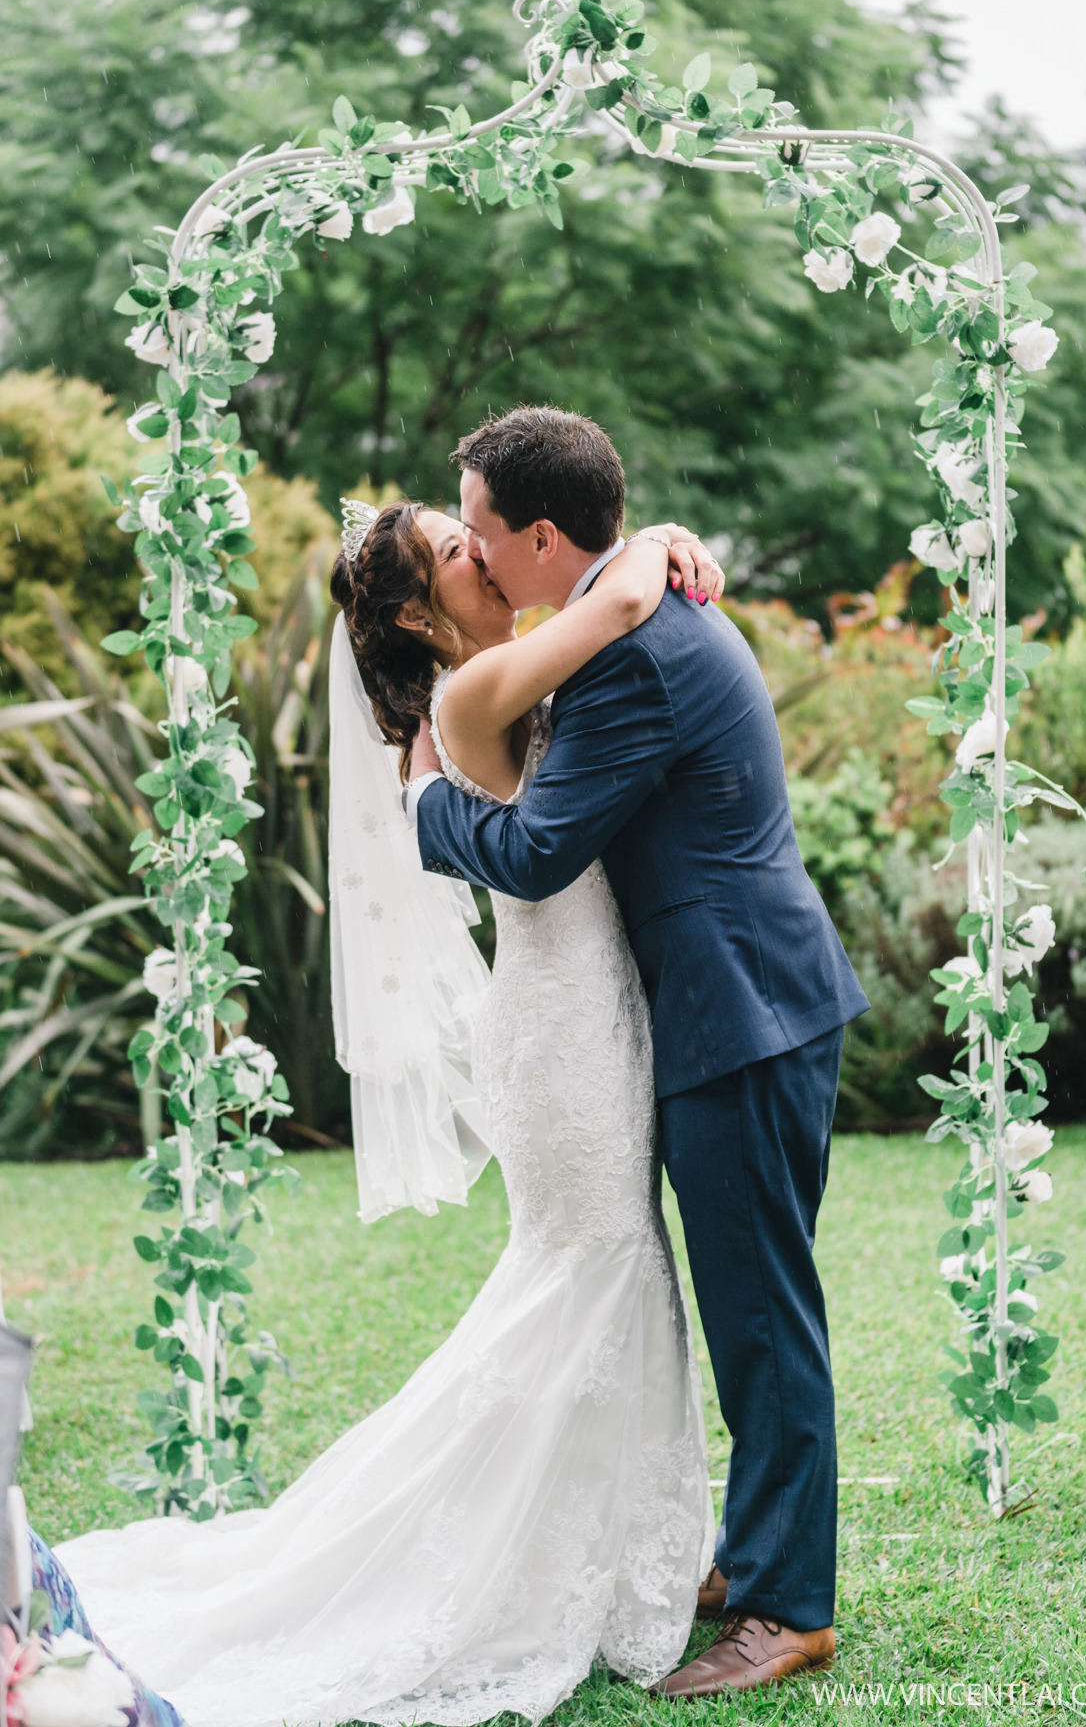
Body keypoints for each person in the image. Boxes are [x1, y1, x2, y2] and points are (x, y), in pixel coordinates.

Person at [55, 498, 727, 1727]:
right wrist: (649, 544)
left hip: (579, 1010)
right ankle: (581, 1559)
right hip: (566, 1029)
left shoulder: (475, 682)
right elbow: (617, 603)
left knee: (601, 1270)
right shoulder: (471, 702)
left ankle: (640, 1543)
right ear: (418, 609)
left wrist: (658, 535)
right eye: (460, 552)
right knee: (602, 1268)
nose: (486, 556)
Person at [407, 405, 870, 1700]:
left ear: (546, 537)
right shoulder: (623, 612)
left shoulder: (629, 658)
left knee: (763, 1314)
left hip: (743, 1009)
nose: (482, 561)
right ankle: (759, 1554)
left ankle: (787, 1608)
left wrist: (428, 811)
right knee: (746, 1306)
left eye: (487, 535)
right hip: (735, 1001)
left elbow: (541, 848)